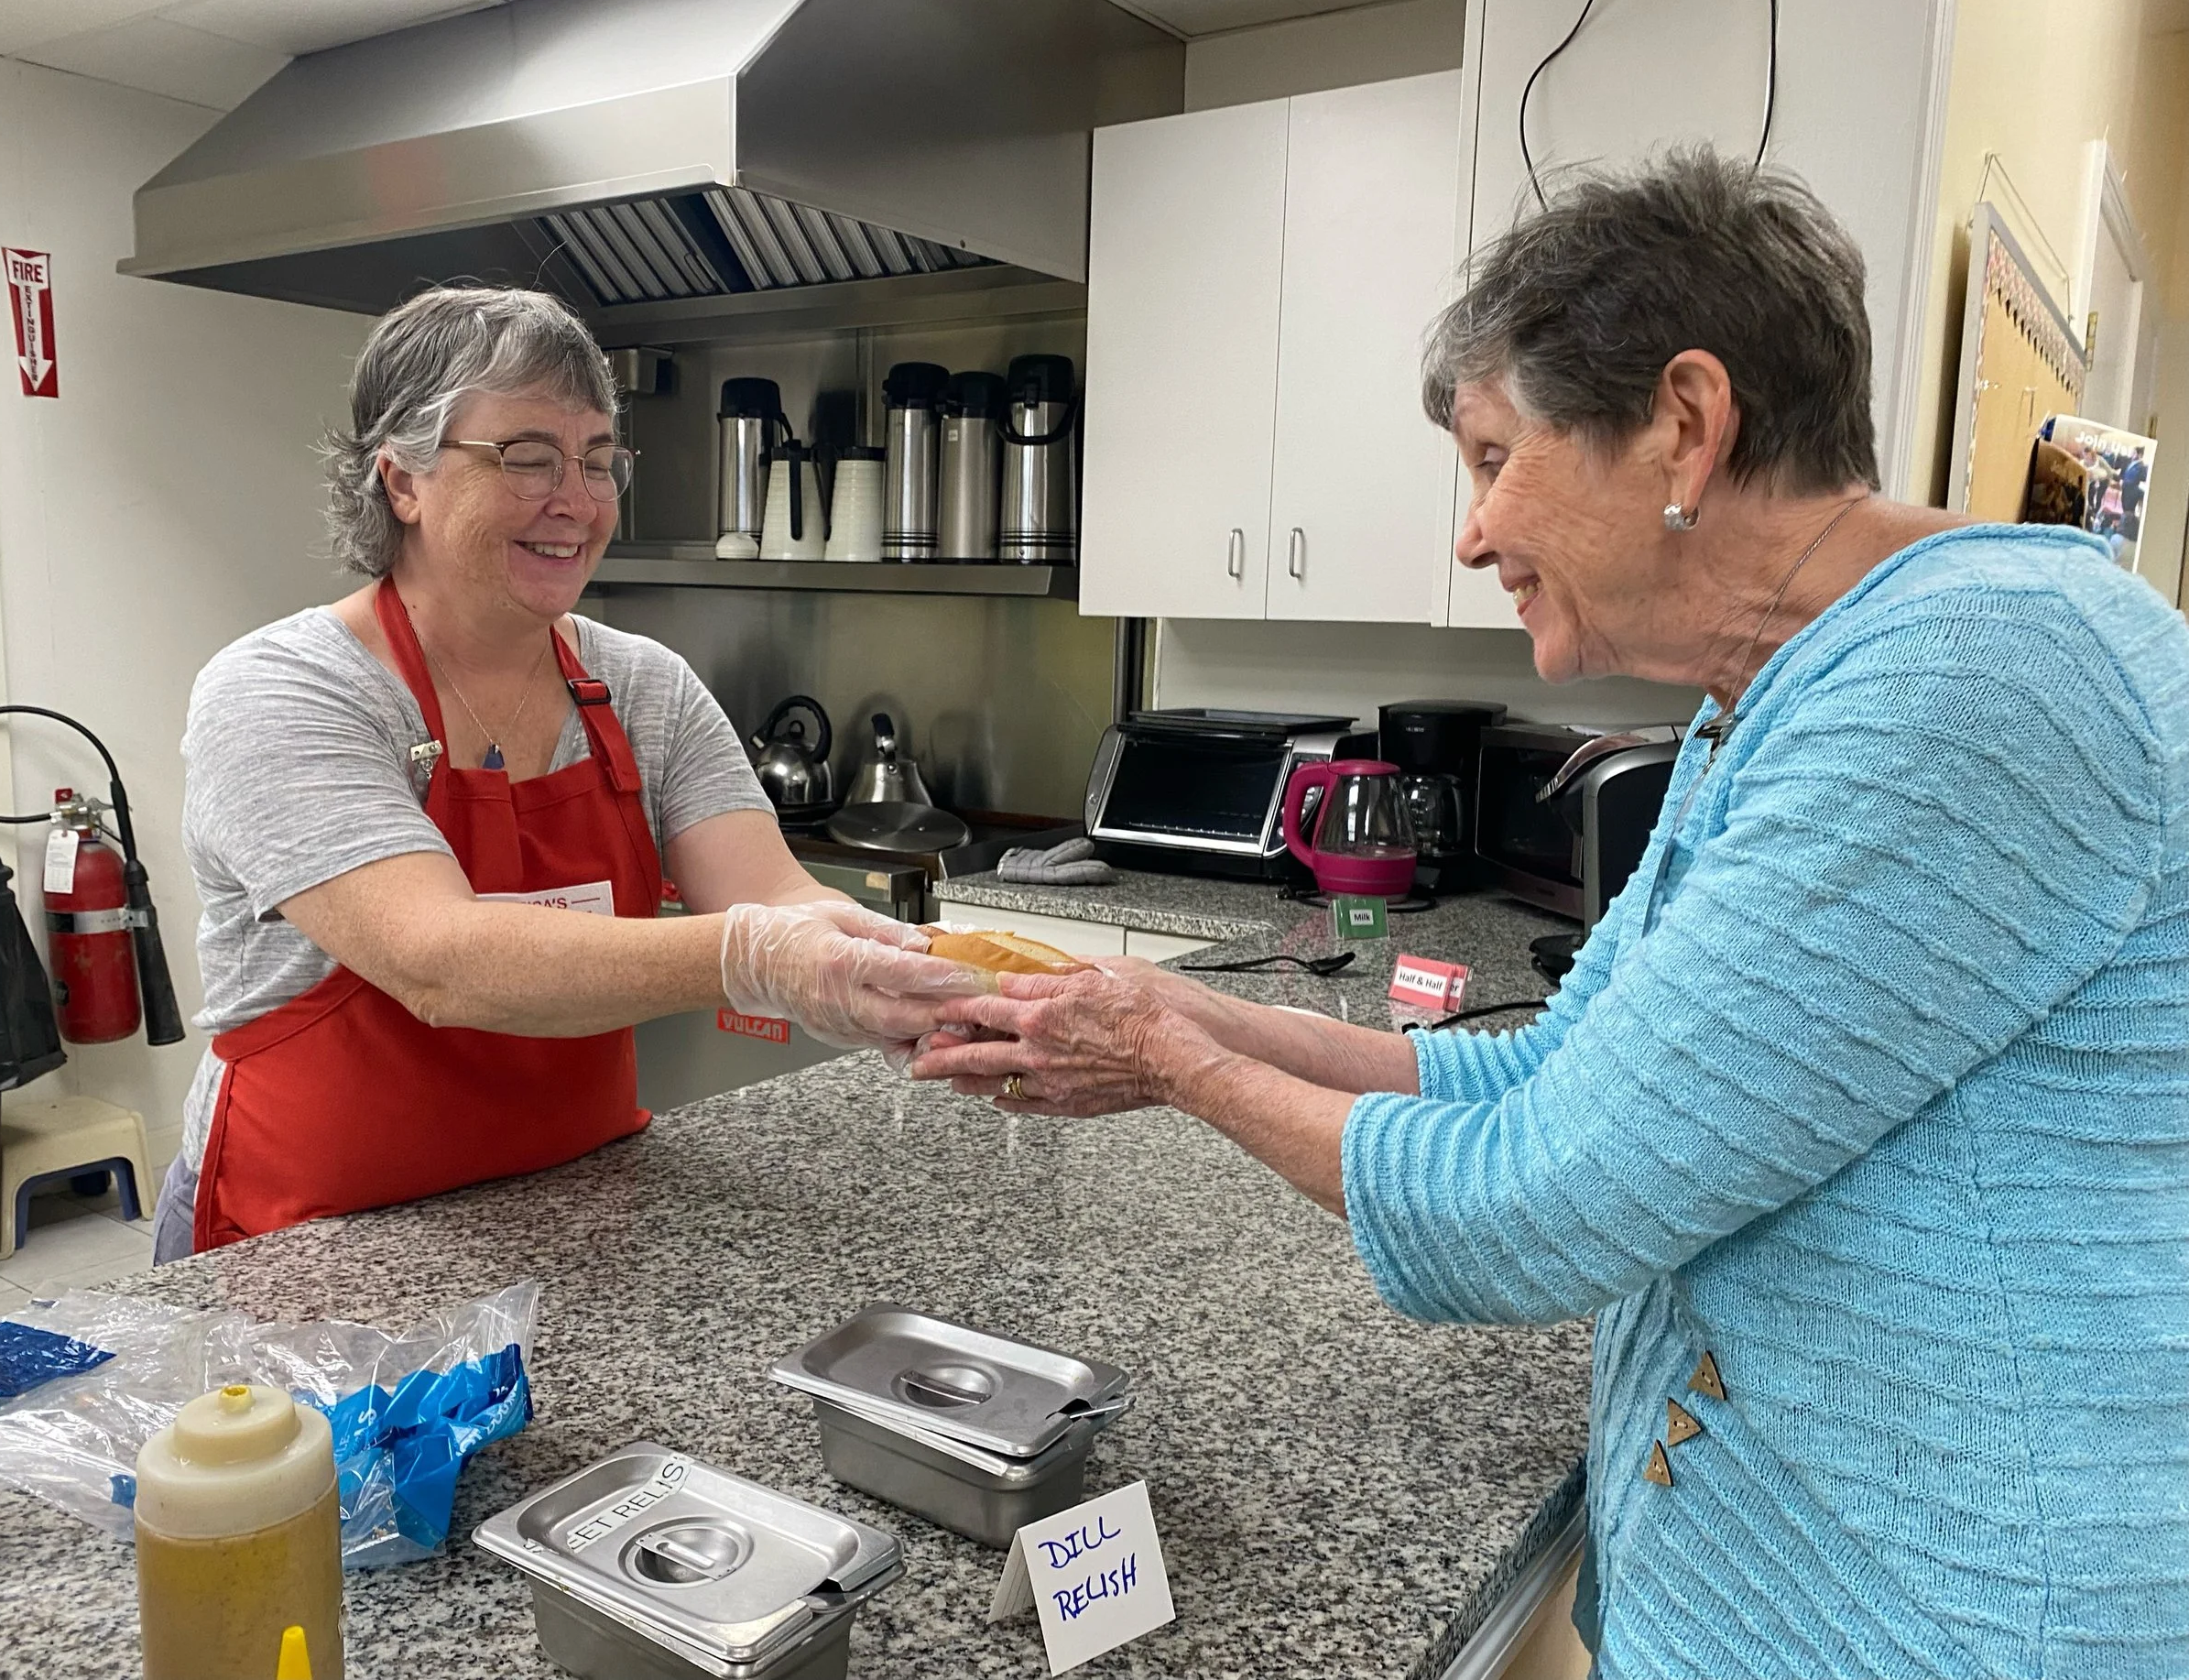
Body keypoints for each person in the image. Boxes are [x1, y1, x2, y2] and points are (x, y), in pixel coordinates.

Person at [911, 150, 2189, 1676]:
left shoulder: (1977, 679)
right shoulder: (1766, 701)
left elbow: (1536, 1201)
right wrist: (1193, 1014)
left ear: (1685, 424)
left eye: (1492, 456)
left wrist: (1173, 1066)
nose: (1470, 533)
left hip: (1946, 1622)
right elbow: (1547, 1071)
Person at [153, 286, 977, 1262]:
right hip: (309, 1239)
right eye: (528, 457)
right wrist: (755, 959)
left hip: (570, 1214)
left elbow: (775, 898)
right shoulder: (286, 689)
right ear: (403, 480)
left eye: (597, 460)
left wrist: (904, 972)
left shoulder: (643, 686)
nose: (578, 503)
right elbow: (437, 960)